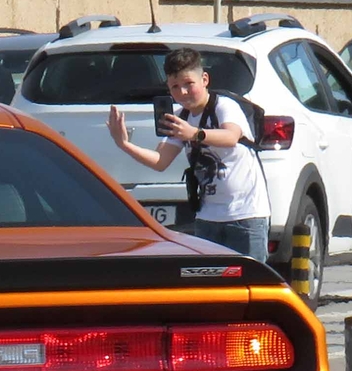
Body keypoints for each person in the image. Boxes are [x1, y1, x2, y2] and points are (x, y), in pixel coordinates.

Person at [104, 48, 269, 259]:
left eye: (188, 84)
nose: (182, 92)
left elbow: (230, 136)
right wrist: (124, 144)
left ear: (204, 79)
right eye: (175, 87)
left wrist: (194, 134)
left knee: (250, 283)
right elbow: (160, 161)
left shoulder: (224, 106)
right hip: (208, 217)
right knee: (210, 284)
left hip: (246, 214)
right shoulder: (181, 117)